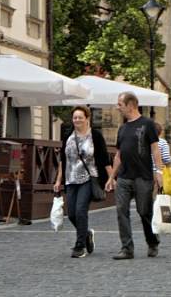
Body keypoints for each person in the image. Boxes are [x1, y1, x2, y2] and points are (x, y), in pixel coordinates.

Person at [105, 92, 164, 260]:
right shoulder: (122, 128)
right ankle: (127, 248)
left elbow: (155, 148)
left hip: (143, 176)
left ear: (130, 105)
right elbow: (118, 155)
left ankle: (152, 242)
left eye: (120, 104)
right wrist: (111, 177)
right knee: (121, 210)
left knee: (144, 212)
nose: (118, 107)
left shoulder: (147, 124)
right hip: (124, 177)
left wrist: (159, 171)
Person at [53, 106, 112, 258]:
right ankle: (86, 234)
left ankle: (80, 246)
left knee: (80, 210)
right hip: (70, 178)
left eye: (80, 117)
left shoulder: (95, 136)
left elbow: (105, 159)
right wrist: (58, 180)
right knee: (71, 213)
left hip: (88, 177)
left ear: (87, 118)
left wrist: (111, 178)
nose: (77, 120)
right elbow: (62, 160)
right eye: (75, 117)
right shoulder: (68, 136)